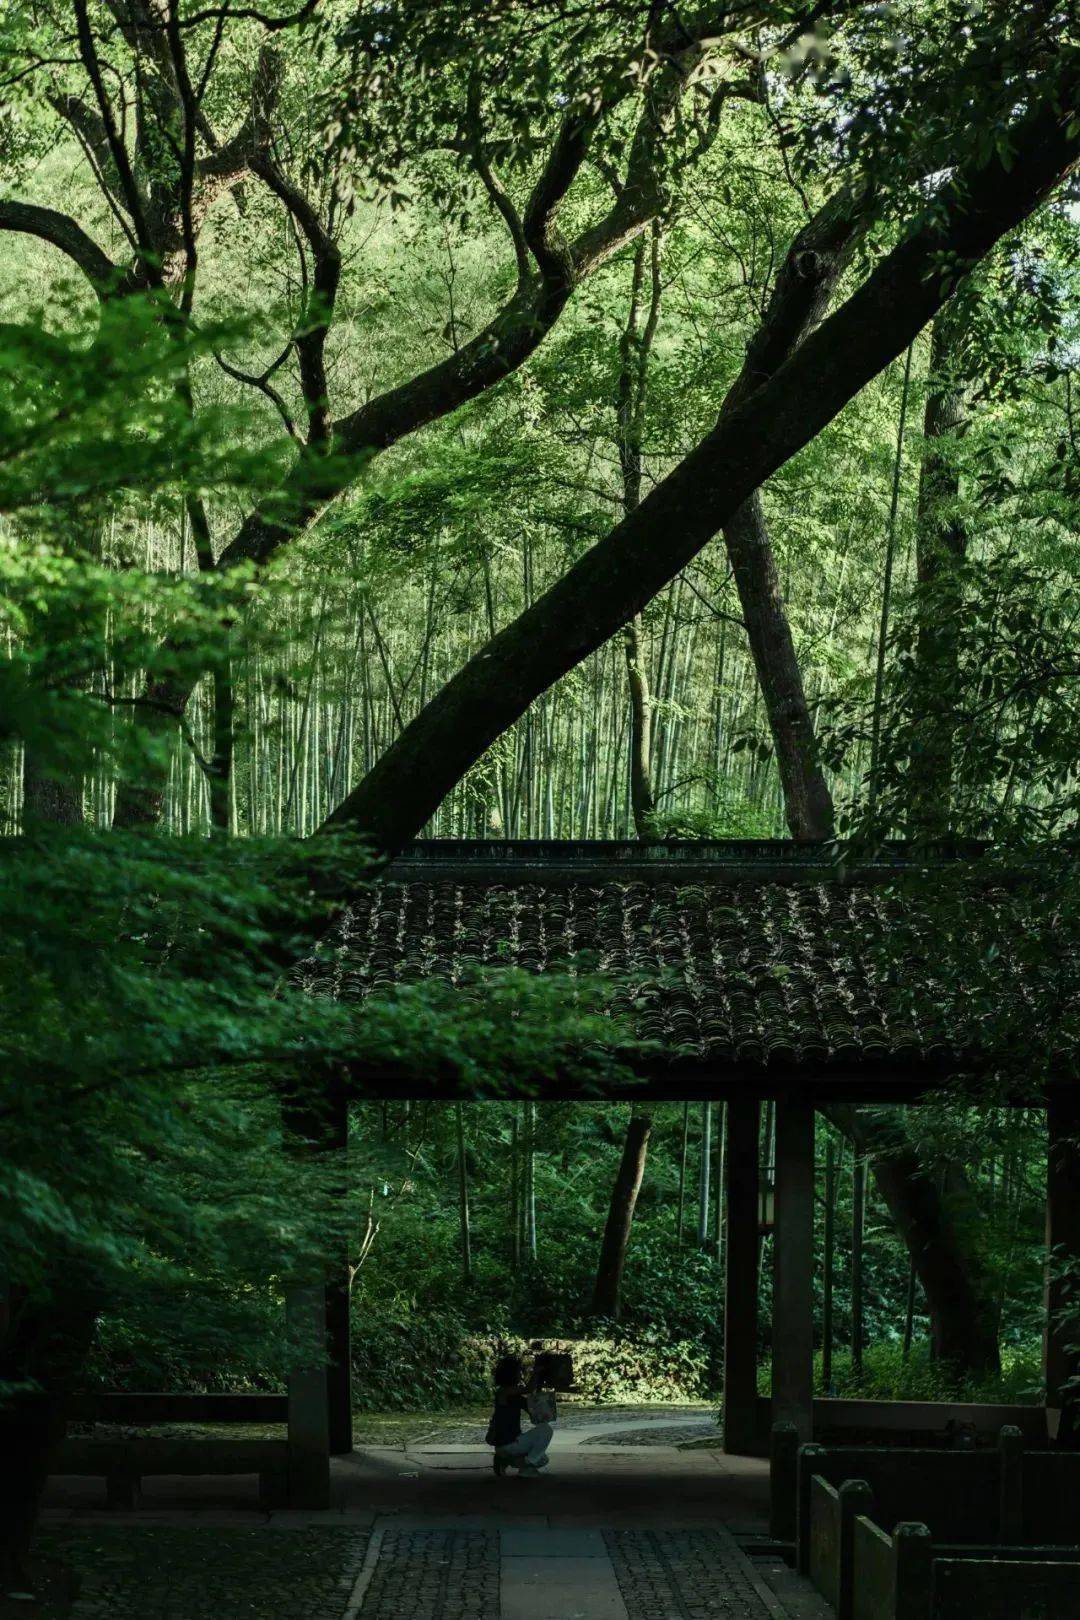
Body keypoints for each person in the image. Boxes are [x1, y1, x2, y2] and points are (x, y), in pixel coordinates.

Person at [485, 1354, 555, 1477]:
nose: (520, 1375)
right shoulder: (504, 1392)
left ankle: (513, 1463)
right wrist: (536, 1372)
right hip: (507, 1444)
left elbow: (535, 1412)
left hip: (513, 1443)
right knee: (546, 1430)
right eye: (518, 1372)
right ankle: (524, 1465)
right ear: (511, 1374)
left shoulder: (513, 1394)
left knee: (543, 1459)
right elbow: (529, 1389)